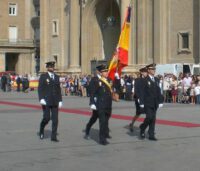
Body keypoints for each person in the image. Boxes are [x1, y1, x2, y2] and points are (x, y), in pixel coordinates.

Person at [85, 64, 112, 145]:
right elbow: (92, 92)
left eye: (107, 71)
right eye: (105, 71)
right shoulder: (95, 80)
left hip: (107, 104)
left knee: (106, 120)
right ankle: (101, 139)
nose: (106, 72)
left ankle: (105, 133)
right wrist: (92, 102)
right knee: (101, 121)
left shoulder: (108, 79)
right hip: (99, 104)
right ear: (100, 72)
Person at [38, 61, 63, 142]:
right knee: (46, 118)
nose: (52, 67)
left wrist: (60, 100)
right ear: (47, 68)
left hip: (55, 101)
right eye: (50, 66)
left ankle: (53, 136)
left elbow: (58, 89)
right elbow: (40, 88)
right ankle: (41, 129)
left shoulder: (56, 77)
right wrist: (41, 98)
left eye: (53, 66)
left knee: (55, 120)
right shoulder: (43, 76)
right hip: (46, 101)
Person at [138, 63, 163, 141]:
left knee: (153, 119)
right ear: (148, 70)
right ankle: (142, 127)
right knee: (149, 117)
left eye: (154, 69)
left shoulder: (156, 79)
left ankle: (151, 135)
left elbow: (159, 91)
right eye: (152, 69)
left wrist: (160, 101)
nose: (154, 70)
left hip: (155, 102)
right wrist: (141, 102)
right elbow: (141, 92)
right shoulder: (144, 80)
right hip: (147, 102)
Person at [129, 67, 148, 132]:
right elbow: (136, 90)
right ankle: (132, 124)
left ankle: (144, 126)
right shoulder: (137, 80)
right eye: (145, 72)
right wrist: (138, 98)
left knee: (149, 113)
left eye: (146, 72)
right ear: (142, 73)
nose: (146, 73)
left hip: (146, 99)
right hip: (139, 99)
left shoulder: (147, 79)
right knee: (138, 113)